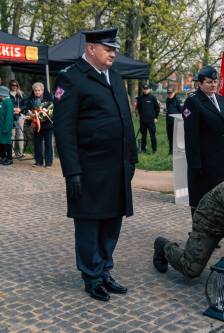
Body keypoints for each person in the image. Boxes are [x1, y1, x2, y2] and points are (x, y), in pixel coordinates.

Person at [53, 28, 138, 302]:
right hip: (89, 168)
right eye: (108, 48)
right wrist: (72, 171)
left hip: (116, 166)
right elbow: (63, 131)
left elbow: (125, 119)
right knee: (90, 224)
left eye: (114, 48)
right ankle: (91, 276)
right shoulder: (72, 77)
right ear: (91, 49)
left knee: (112, 221)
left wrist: (131, 157)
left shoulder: (114, 75)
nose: (113, 52)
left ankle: (105, 270)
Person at [182, 65, 224, 216]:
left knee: (219, 203)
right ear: (200, 83)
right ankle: (200, 236)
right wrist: (195, 165)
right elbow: (191, 137)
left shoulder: (221, 100)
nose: (213, 85)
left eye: (215, 82)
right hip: (204, 164)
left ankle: (215, 233)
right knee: (202, 203)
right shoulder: (193, 102)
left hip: (220, 163)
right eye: (209, 82)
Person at [25, 82, 54, 167]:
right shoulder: (31, 100)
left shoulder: (49, 99)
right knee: (37, 143)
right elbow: (27, 110)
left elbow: (51, 112)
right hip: (36, 125)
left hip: (47, 125)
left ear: (43, 90)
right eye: (35, 90)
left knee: (48, 144)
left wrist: (43, 115)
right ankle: (39, 162)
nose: (37, 92)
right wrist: (30, 116)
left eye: (39, 90)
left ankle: (48, 162)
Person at [136, 83, 160, 154]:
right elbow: (138, 108)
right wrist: (139, 115)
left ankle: (154, 150)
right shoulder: (140, 98)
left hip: (151, 121)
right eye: (144, 89)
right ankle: (143, 149)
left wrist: (156, 117)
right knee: (143, 136)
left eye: (147, 89)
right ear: (143, 89)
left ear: (149, 89)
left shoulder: (153, 98)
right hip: (143, 121)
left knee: (152, 136)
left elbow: (157, 108)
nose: (145, 90)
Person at [9, 79, 26, 158]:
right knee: (12, 134)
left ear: (18, 85)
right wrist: (12, 109)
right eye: (13, 85)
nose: (14, 86)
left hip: (20, 115)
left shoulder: (21, 94)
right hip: (11, 115)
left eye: (16, 85)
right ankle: (11, 152)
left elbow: (25, 104)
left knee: (20, 134)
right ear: (10, 85)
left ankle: (21, 152)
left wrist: (20, 110)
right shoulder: (7, 94)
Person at [165, 87, 182, 154]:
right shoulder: (167, 100)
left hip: (176, 122)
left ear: (174, 93)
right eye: (168, 93)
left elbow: (181, 111)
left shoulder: (177, 100)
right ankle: (171, 150)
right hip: (168, 122)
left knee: (176, 137)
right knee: (170, 137)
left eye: (171, 93)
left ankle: (177, 150)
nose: (169, 94)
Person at [0, 86, 14, 165]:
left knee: (7, 142)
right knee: (2, 142)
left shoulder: (8, 103)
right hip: (1, 126)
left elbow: (9, 117)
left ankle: (9, 158)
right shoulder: (2, 102)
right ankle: (3, 157)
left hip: (5, 127)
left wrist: (6, 128)